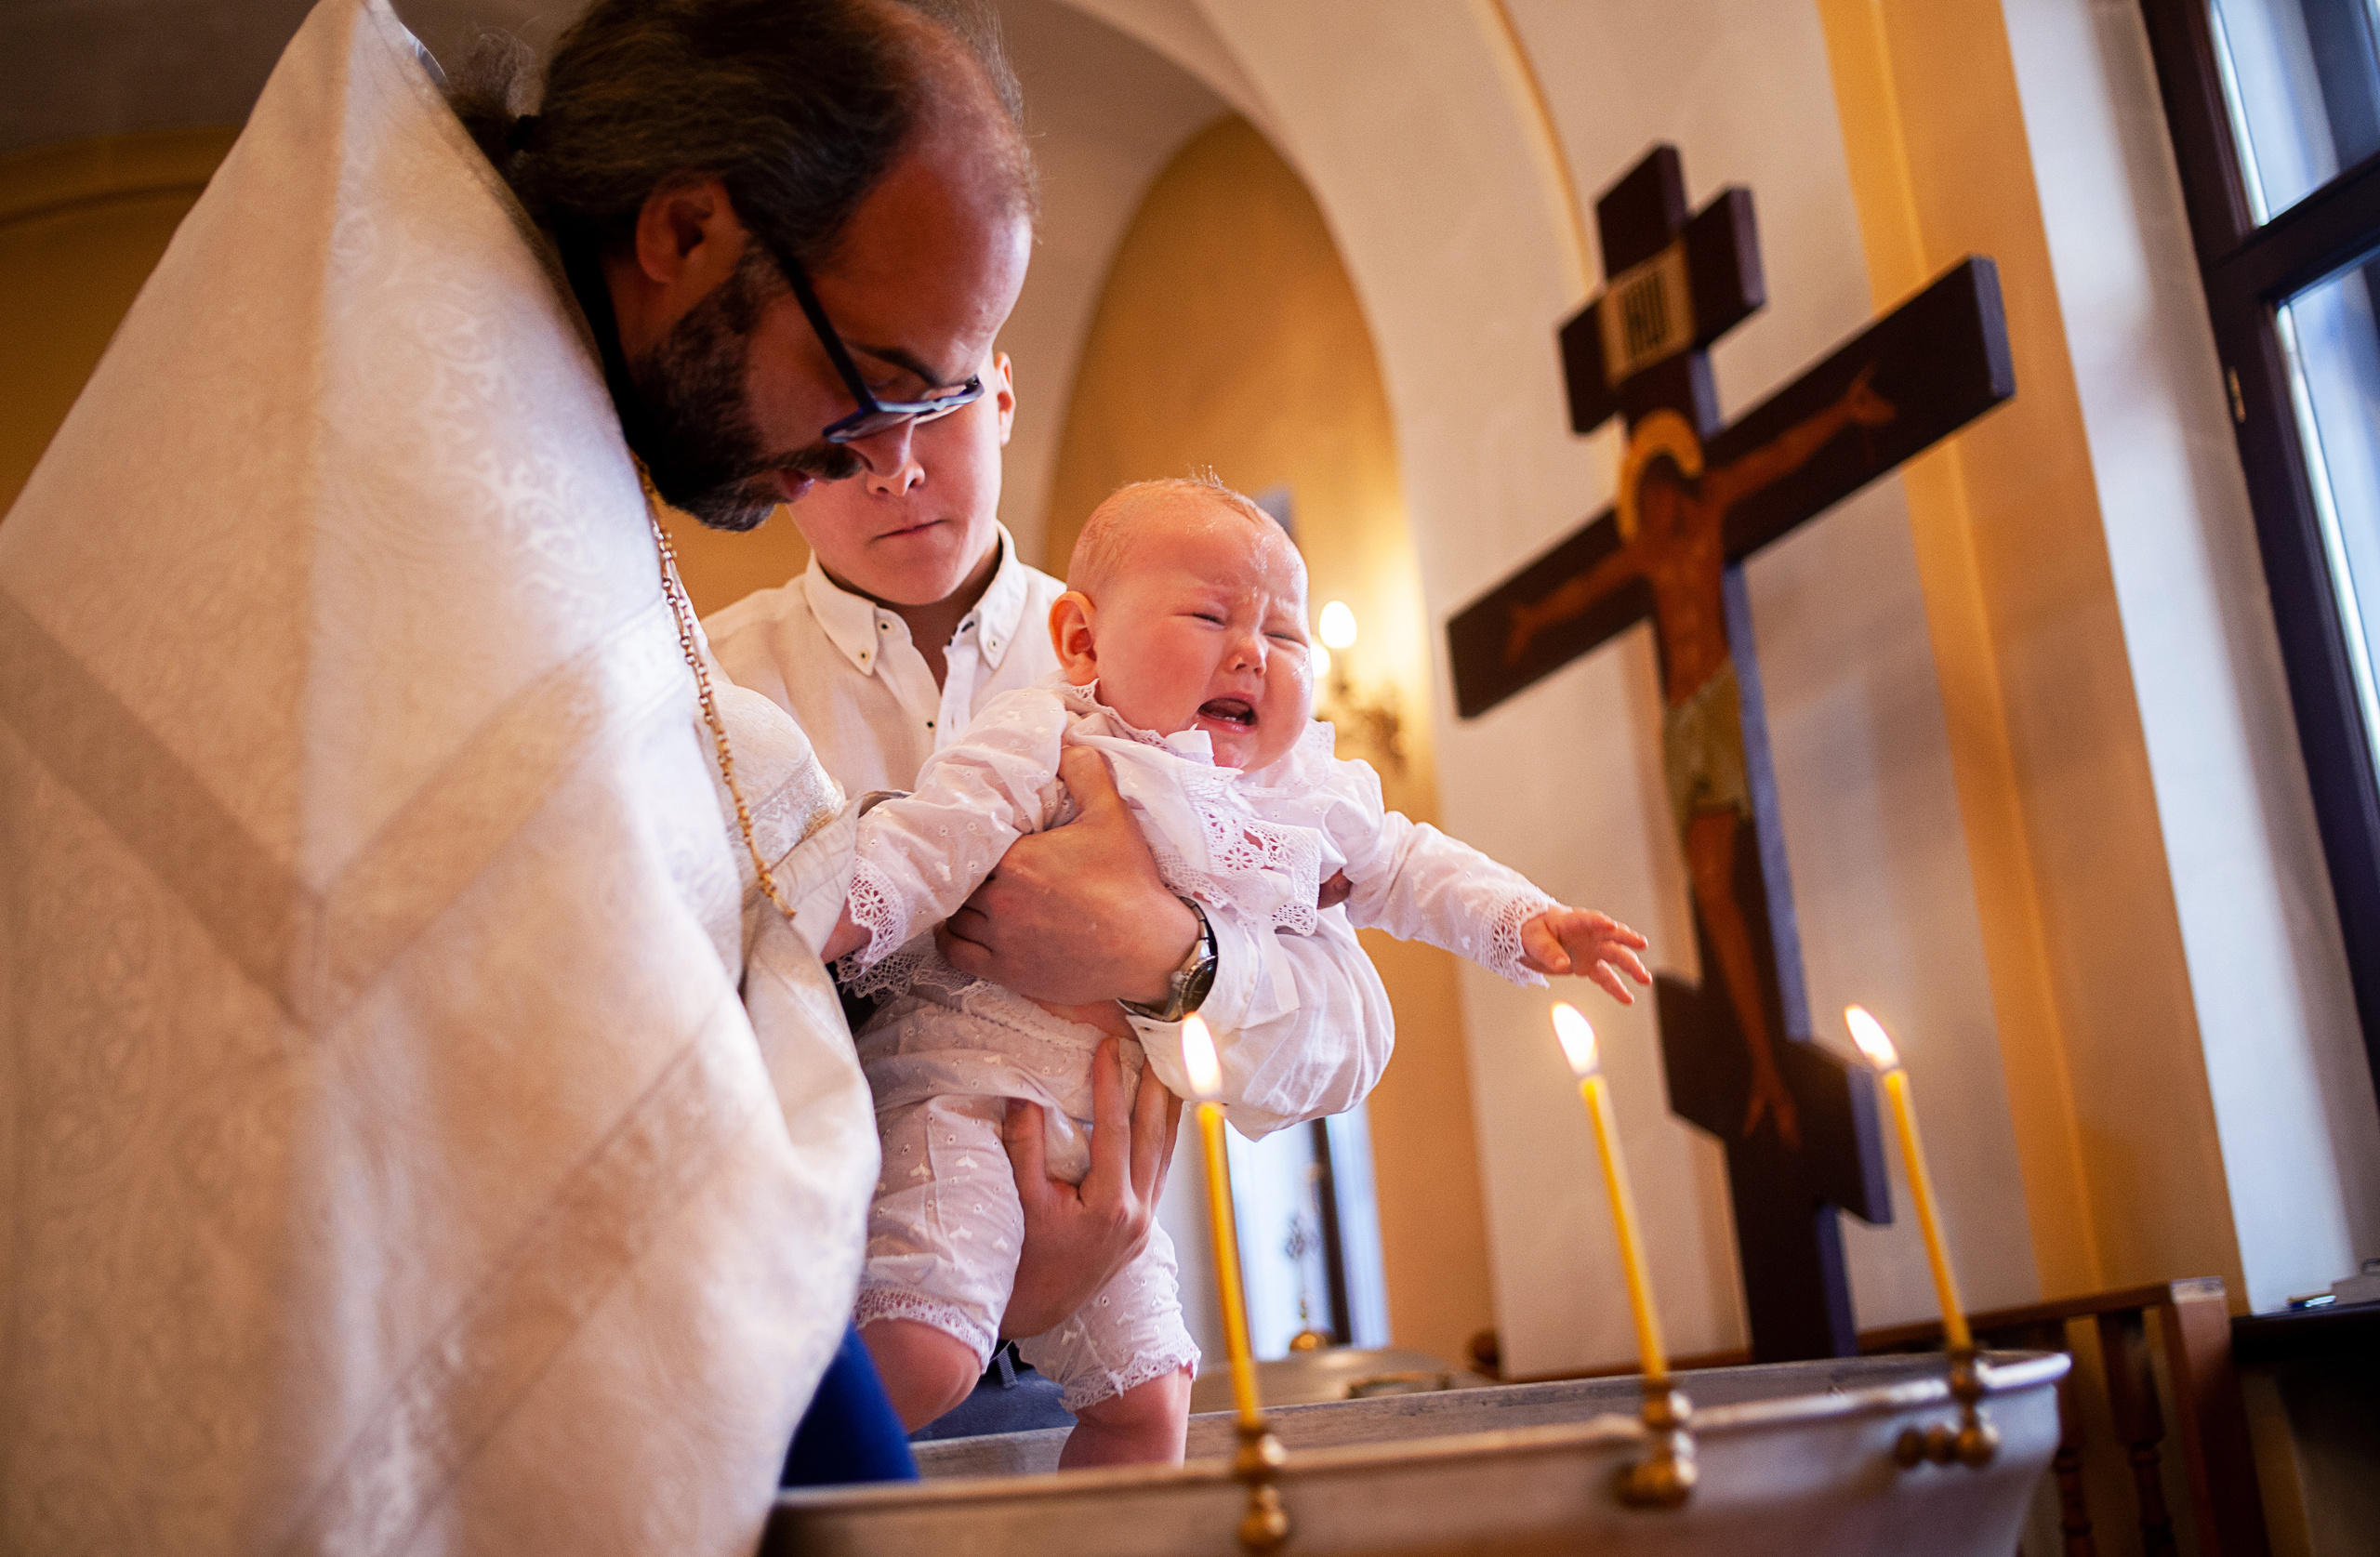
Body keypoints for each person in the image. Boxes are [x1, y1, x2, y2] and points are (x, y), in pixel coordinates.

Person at [0, 0, 1041, 1550]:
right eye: (880, 377)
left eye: (941, 405)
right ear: (688, 229)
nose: (875, 456)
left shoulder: (495, 382)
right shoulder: (404, 452)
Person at [818, 475, 1654, 1465]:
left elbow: (1404, 866)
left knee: (1150, 1399)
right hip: (971, 1097)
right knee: (931, 1347)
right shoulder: (1052, 731)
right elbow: (931, 838)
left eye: (1286, 636)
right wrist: (831, 920)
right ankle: (724, 1481)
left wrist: (1522, 921)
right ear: (1082, 641)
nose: (1253, 652)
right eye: (1211, 616)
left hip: (1108, 1168)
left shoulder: (1300, 792)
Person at [704, 352, 1400, 1433]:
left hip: (1090, 1352)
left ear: (1003, 391)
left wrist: (1167, 951)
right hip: (810, 1358)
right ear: (775, 450)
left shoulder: (1184, 648)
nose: (894, 468)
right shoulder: (707, 694)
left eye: (931, 405)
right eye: (839, 433)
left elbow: (1350, 1034)